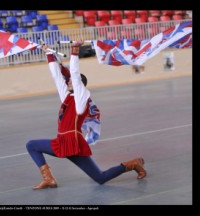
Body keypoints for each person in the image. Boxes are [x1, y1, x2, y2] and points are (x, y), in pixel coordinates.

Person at [26, 39, 147, 189]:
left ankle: (133, 164)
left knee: (100, 178)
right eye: (68, 81)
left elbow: (75, 75)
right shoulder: (67, 98)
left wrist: (75, 50)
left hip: (74, 143)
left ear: (81, 86)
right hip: (61, 142)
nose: (69, 82)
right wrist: (49, 53)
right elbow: (57, 77)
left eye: (72, 82)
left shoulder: (82, 98)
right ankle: (49, 179)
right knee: (32, 145)